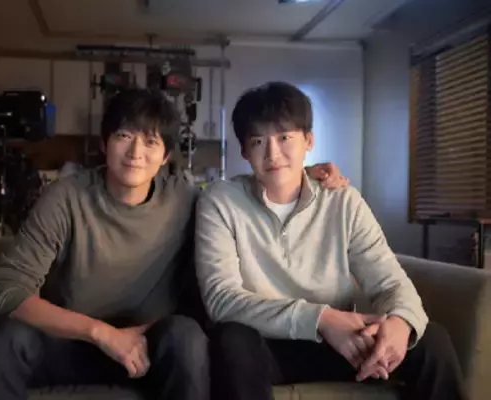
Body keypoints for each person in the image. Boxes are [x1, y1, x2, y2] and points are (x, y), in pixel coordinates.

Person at [0, 88, 347, 400]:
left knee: (187, 336)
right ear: (105, 142)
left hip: (152, 348)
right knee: (0, 338)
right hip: (77, 343)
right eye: (124, 136)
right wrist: (101, 333)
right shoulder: (65, 198)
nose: (136, 152)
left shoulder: (185, 199)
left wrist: (299, 175)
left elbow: (241, 195)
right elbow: (4, 291)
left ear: (166, 156)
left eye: (151, 141)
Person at [195, 82, 468, 400]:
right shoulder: (221, 201)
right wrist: (322, 319)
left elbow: (390, 282)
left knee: (431, 339)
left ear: (309, 141)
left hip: (341, 345)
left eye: (284, 138)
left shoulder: (343, 201)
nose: (272, 154)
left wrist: (401, 321)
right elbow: (222, 300)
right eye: (258, 141)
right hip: (267, 346)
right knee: (233, 340)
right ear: (244, 151)